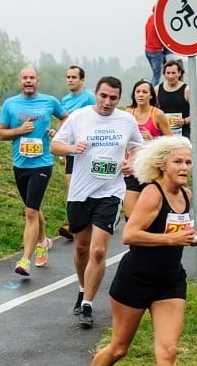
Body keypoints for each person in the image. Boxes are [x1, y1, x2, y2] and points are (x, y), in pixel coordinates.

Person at [73, 136, 197, 366]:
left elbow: (176, 231)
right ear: (162, 165)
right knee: (119, 348)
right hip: (135, 280)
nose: (185, 167)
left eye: (188, 161)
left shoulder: (185, 195)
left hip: (170, 281)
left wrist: (190, 236)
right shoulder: (152, 194)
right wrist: (173, 241)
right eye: (178, 161)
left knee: (168, 351)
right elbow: (131, 235)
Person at [50, 76, 144, 327]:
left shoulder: (126, 120)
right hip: (80, 193)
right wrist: (72, 148)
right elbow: (54, 145)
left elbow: (138, 147)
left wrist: (130, 162)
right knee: (81, 247)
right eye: (103, 96)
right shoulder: (79, 117)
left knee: (99, 249)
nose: (107, 102)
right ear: (96, 93)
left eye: (113, 98)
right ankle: (82, 288)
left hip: (110, 192)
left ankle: (88, 304)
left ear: (119, 98)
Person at [0, 67, 68, 276]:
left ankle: (24, 260)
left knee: (30, 212)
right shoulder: (10, 104)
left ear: (38, 80)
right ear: (20, 81)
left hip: (42, 163)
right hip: (20, 164)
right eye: (25, 78)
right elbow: (1, 134)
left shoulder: (49, 101)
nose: (29, 81)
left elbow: (66, 118)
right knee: (34, 208)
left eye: (32, 78)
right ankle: (42, 241)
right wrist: (19, 131)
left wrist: (58, 131)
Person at [123, 79, 172, 218]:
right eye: (138, 92)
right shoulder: (127, 114)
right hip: (132, 170)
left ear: (151, 95)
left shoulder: (157, 114)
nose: (140, 95)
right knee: (130, 215)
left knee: (150, 215)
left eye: (145, 92)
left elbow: (172, 141)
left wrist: (153, 140)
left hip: (151, 172)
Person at [58, 66, 96, 240]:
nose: (70, 80)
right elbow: (64, 122)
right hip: (70, 150)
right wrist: (56, 134)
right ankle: (72, 222)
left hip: (87, 151)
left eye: (74, 77)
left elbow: (96, 119)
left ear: (82, 80)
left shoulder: (89, 97)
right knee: (71, 184)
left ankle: (90, 218)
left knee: (88, 186)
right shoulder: (64, 100)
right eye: (68, 77)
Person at [156, 59, 197, 139]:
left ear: (179, 73)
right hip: (163, 135)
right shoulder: (157, 89)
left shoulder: (187, 90)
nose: (170, 76)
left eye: (173, 73)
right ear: (164, 74)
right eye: (168, 73)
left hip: (183, 135)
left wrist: (184, 121)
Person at [144, 7, 166, 88]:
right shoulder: (158, 22)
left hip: (148, 50)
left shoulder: (150, 19)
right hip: (156, 51)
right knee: (156, 76)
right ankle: (151, 92)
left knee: (155, 74)